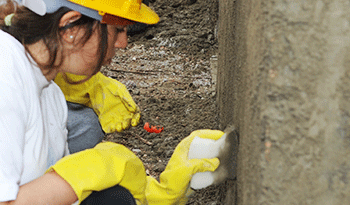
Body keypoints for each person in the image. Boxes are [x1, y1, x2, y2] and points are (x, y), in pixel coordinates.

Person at [0, 0, 224, 204]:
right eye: (117, 29)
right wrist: (94, 168)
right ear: (71, 27)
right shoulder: (6, 75)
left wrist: (155, 194)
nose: (123, 43)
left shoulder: (51, 96)